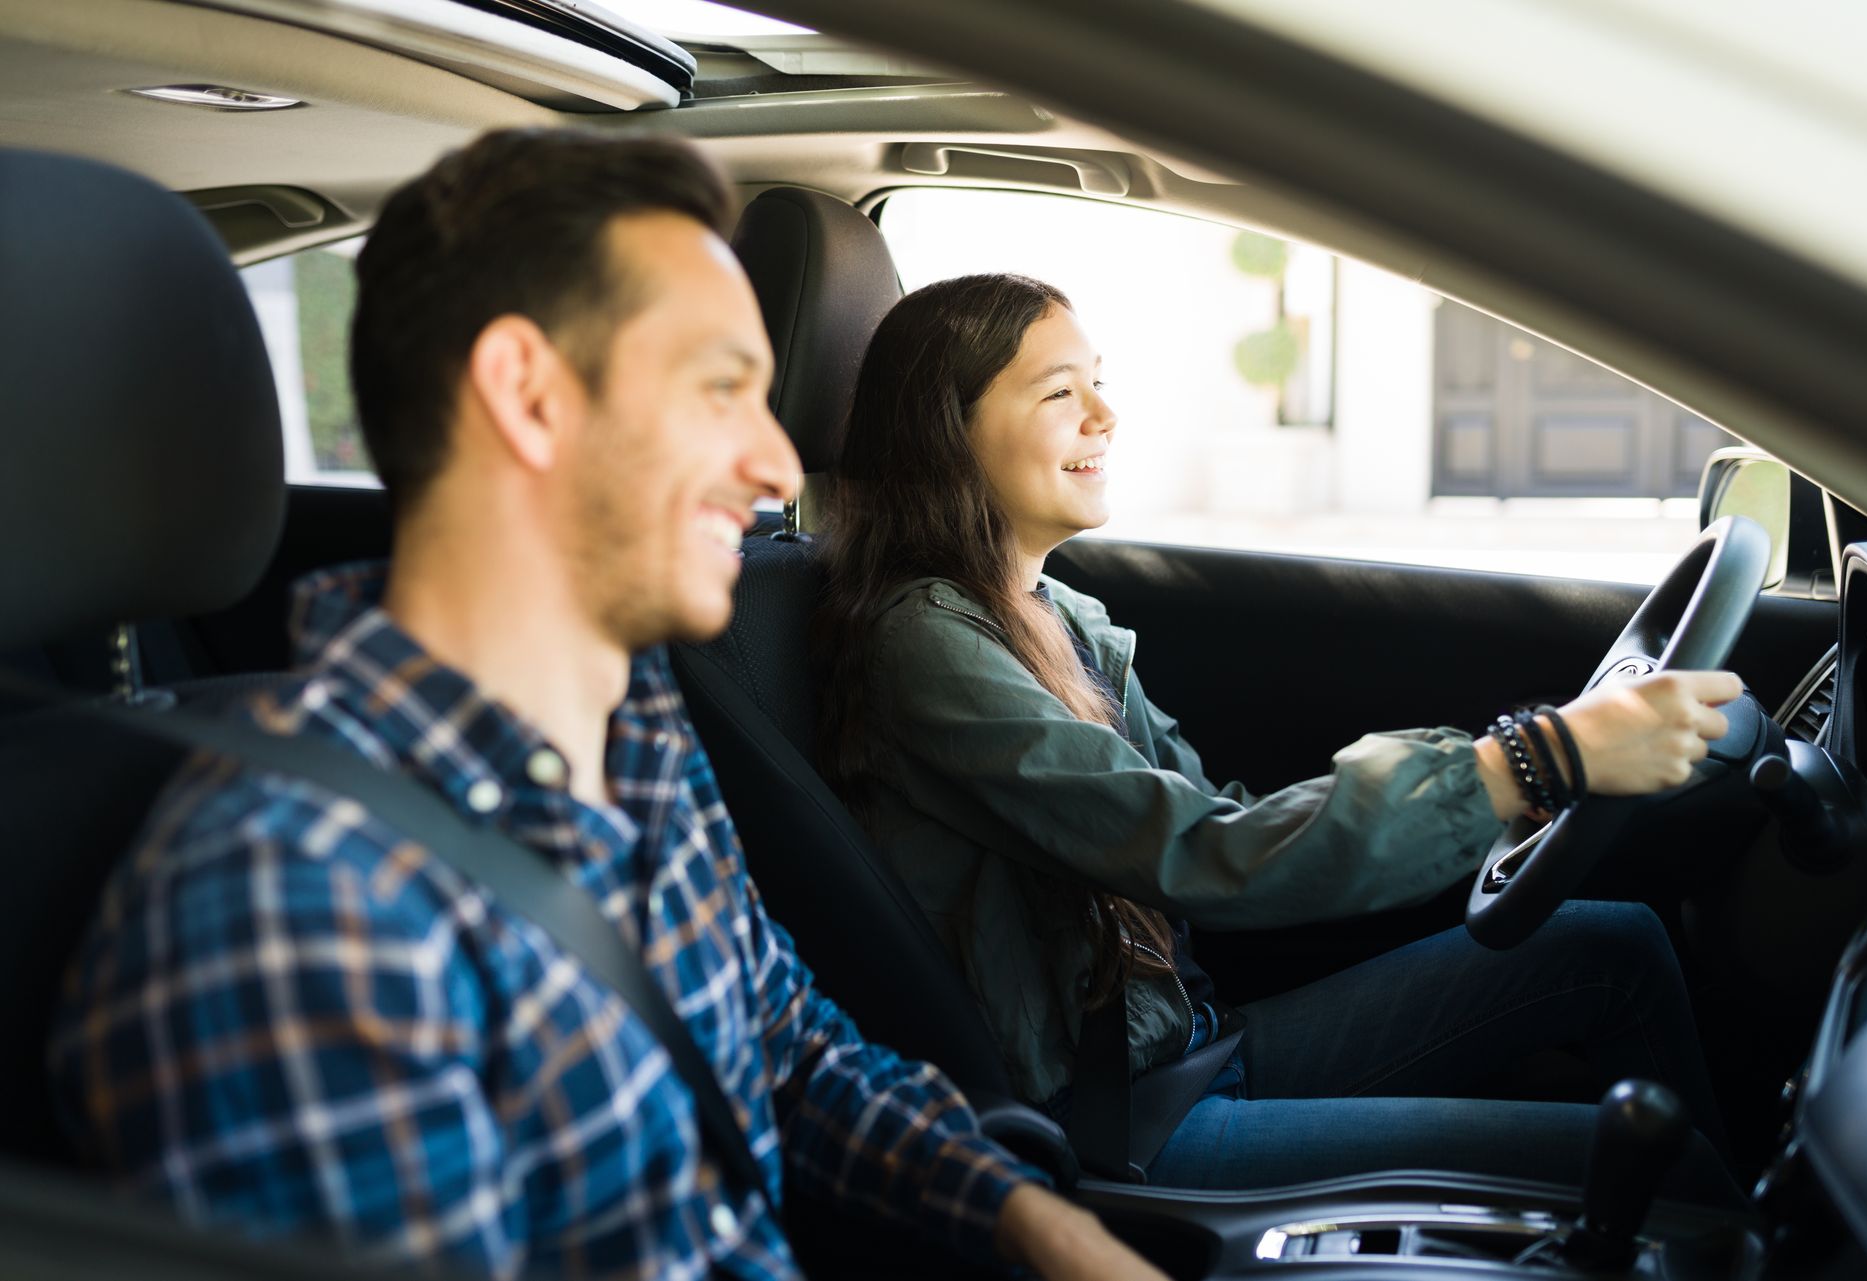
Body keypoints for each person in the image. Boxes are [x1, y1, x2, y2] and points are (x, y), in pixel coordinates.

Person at [46, 136, 1166, 1281]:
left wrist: (1033, 1223)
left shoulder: (634, 731)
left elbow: (785, 1054)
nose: (776, 461)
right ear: (529, 397)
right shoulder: (299, 903)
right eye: (721, 388)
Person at [813, 272, 1745, 1195]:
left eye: (1099, 379)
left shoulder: (1055, 613)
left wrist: (1498, 766)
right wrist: (1534, 761)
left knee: (1612, 947)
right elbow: (1204, 852)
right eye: (1060, 392)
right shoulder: (924, 642)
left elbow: (1217, 814)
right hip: (1116, 1117)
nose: (1105, 412)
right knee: (1673, 1172)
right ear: (949, 432)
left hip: (1191, 1043)